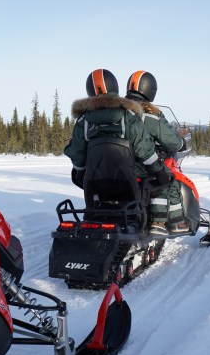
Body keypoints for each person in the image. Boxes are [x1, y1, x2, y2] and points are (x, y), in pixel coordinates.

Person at [64, 69, 171, 234]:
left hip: (95, 182)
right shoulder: (127, 116)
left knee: (84, 181)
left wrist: (79, 170)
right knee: (161, 181)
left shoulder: (84, 121)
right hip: (127, 180)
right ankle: (157, 222)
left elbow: (77, 152)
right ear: (115, 87)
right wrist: (158, 170)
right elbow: (144, 149)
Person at [125, 70, 190, 235]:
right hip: (143, 165)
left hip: (118, 167)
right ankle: (168, 222)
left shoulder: (119, 113)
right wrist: (181, 143)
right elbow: (171, 140)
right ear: (150, 90)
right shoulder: (149, 115)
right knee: (169, 181)